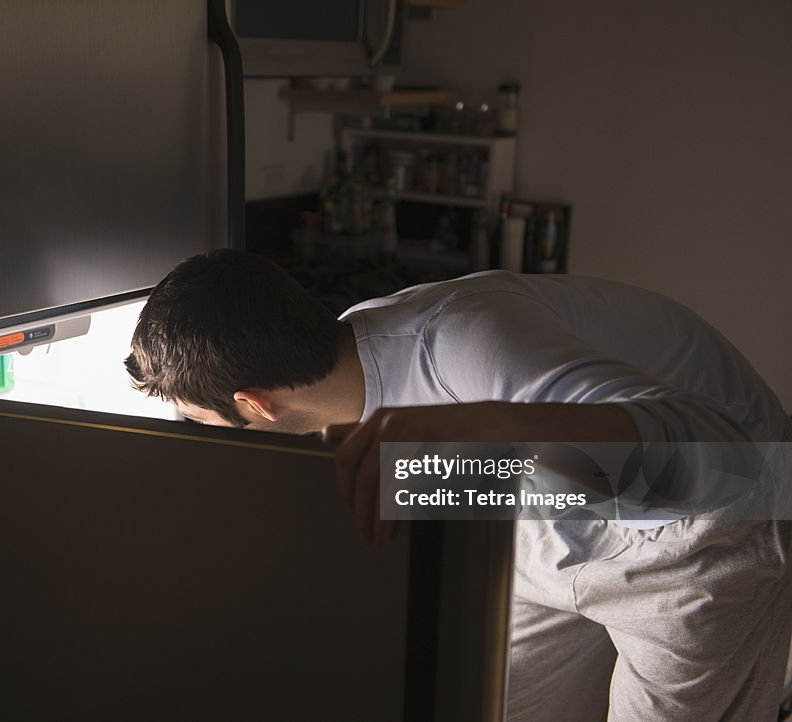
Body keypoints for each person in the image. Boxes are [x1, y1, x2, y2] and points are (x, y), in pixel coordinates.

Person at [125, 248, 792, 721]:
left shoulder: (467, 346)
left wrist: (488, 423)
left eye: (201, 417)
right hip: (551, 523)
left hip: (709, 527)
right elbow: (491, 482)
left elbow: (726, 466)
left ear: (257, 404)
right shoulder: (340, 377)